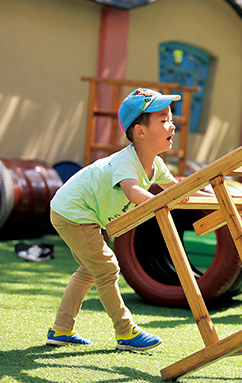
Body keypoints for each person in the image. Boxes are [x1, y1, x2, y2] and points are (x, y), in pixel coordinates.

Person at [47, 88, 207, 350]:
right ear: (140, 132)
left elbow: (175, 188)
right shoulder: (127, 162)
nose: (173, 126)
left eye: (172, 120)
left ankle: (61, 329)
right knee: (107, 268)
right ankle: (125, 331)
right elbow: (132, 191)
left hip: (81, 212)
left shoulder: (156, 165)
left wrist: (205, 196)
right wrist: (160, 203)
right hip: (72, 211)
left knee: (90, 270)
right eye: (164, 120)